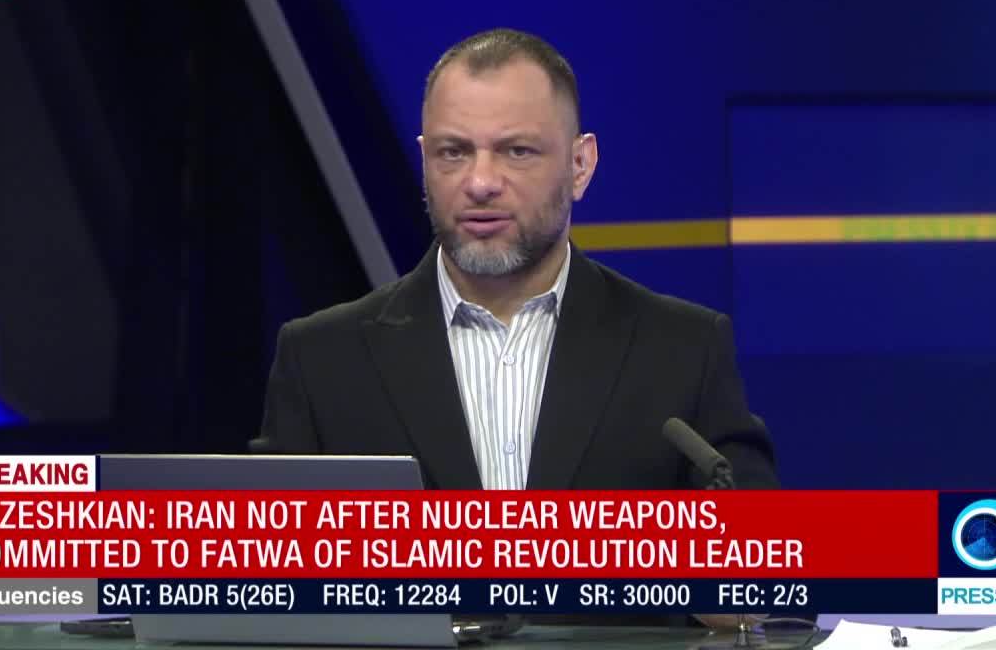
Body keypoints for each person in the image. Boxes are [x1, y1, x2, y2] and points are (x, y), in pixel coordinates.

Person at [260, 28, 777, 493]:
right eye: (453, 152)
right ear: (424, 162)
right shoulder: (321, 362)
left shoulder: (683, 353)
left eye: (517, 151)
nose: (481, 182)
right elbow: (263, 560)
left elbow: (763, 558)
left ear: (580, 165)